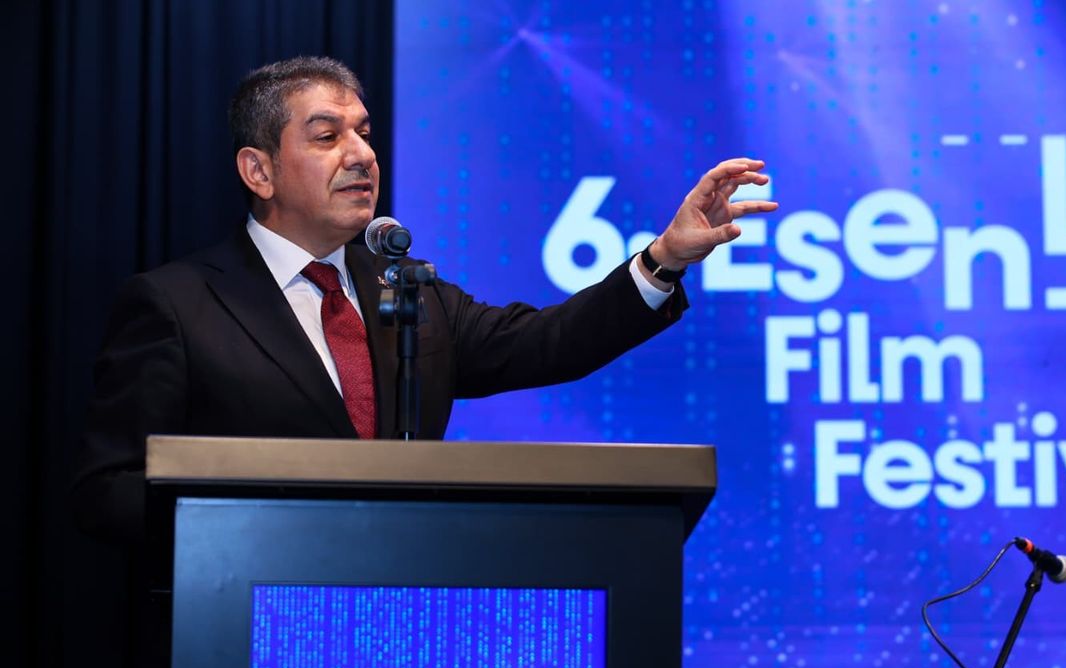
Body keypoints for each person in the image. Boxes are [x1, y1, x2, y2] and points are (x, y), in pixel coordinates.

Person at [75, 56, 778, 539]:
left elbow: (548, 343)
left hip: (403, 616)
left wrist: (663, 258)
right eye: (327, 137)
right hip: (243, 622)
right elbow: (109, 491)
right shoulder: (177, 306)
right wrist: (250, 517)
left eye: (364, 133)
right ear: (258, 171)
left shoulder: (408, 291)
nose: (361, 154)